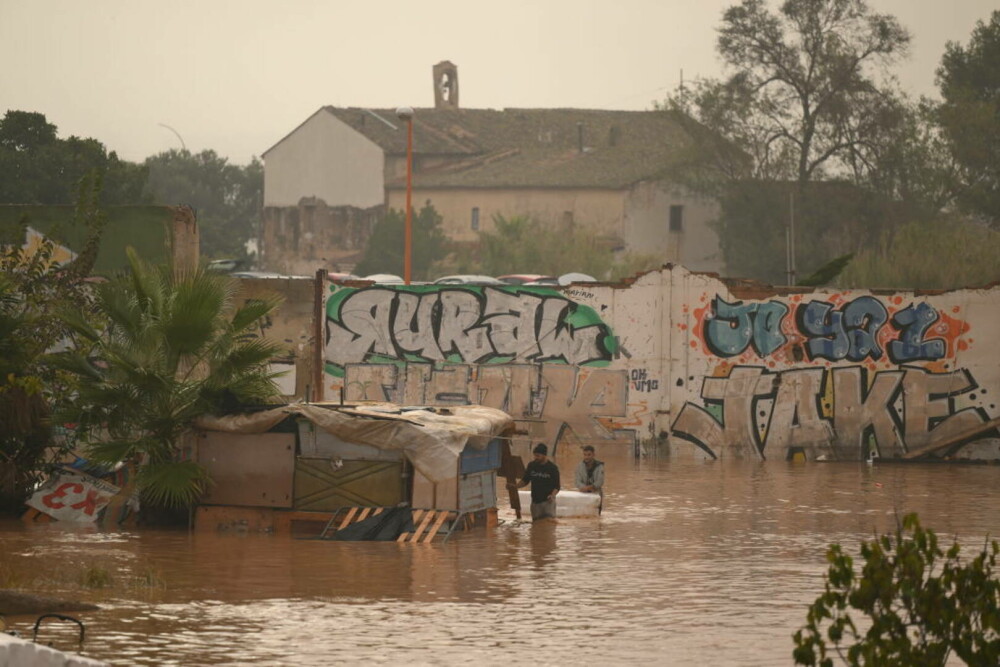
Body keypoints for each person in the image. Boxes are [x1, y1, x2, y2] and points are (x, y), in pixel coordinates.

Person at [512, 443, 560, 520]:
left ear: (544, 455)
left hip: (548, 502)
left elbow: (557, 486)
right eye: (534, 455)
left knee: (549, 525)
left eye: (538, 456)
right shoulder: (531, 465)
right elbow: (525, 480)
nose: (535, 457)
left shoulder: (552, 468)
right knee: (536, 525)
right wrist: (515, 487)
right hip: (535, 502)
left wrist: (552, 495)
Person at [575, 445, 604, 513]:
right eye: (585, 455)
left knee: (596, 514)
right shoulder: (580, 466)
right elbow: (577, 481)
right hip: (583, 494)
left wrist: (591, 487)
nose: (586, 457)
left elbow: (600, 481)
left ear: (593, 455)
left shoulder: (599, 466)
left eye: (589, 455)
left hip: (596, 494)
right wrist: (584, 488)